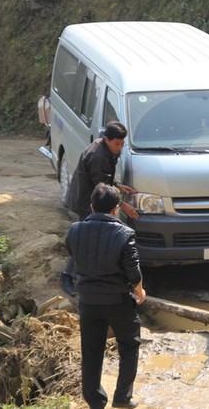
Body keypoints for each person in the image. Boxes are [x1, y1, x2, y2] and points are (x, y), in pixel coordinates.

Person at [65, 183, 146, 409]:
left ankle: (95, 401)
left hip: (88, 302)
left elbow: (73, 255)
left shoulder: (74, 230)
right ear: (116, 209)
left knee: (91, 350)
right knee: (129, 346)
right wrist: (139, 291)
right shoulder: (125, 233)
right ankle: (122, 398)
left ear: (92, 207)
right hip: (117, 301)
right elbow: (133, 271)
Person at [60, 121, 139, 296]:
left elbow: (105, 178)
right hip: (87, 201)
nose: (119, 148)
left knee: (93, 238)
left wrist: (118, 185)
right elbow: (101, 188)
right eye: (116, 144)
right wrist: (123, 205)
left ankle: (90, 273)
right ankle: (67, 275)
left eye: (122, 145)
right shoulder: (98, 156)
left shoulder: (106, 148)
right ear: (106, 139)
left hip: (93, 198)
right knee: (85, 239)